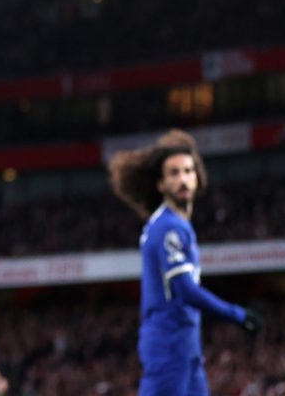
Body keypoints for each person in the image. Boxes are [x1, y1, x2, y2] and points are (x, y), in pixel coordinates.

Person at [109, 129, 264, 396]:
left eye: (188, 171)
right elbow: (184, 290)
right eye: (174, 173)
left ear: (197, 177)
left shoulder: (179, 225)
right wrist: (237, 314)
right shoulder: (167, 228)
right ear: (160, 184)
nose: (183, 179)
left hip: (186, 345)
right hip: (168, 346)